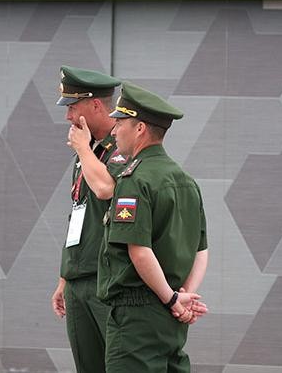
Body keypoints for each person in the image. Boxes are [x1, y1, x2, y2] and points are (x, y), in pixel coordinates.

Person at [96, 82, 209, 373]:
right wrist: (182, 298)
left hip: (137, 317)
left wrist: (173, 299)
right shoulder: (186, 181)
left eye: (120, 123)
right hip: (172, 316)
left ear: (140, 128)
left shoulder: (134, 180)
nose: (113, 131)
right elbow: (201, 250)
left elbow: (140, 251)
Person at [50, 65, 125, 373]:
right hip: (78, 280)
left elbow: (106, 189)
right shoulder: (87, 151)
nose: (68, 116)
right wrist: (65, 276)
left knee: (116, 365)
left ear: (95, 105)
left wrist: (83, 150)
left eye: (72, 107)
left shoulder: (122, 146)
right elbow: (78, 214)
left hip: (105, 281)